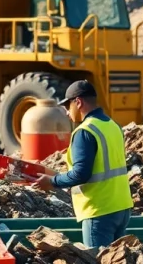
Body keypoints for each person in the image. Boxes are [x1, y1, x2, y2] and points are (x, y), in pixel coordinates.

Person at [31, 80, 133, 248]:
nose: (66, 113)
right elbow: (101, 167)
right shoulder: (113, 126)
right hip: (121, 207)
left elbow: (81, 174)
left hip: (99, 210)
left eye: (67, 106)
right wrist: (53, 174)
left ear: (78, 102)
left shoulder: (85, 131)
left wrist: (51, 182)